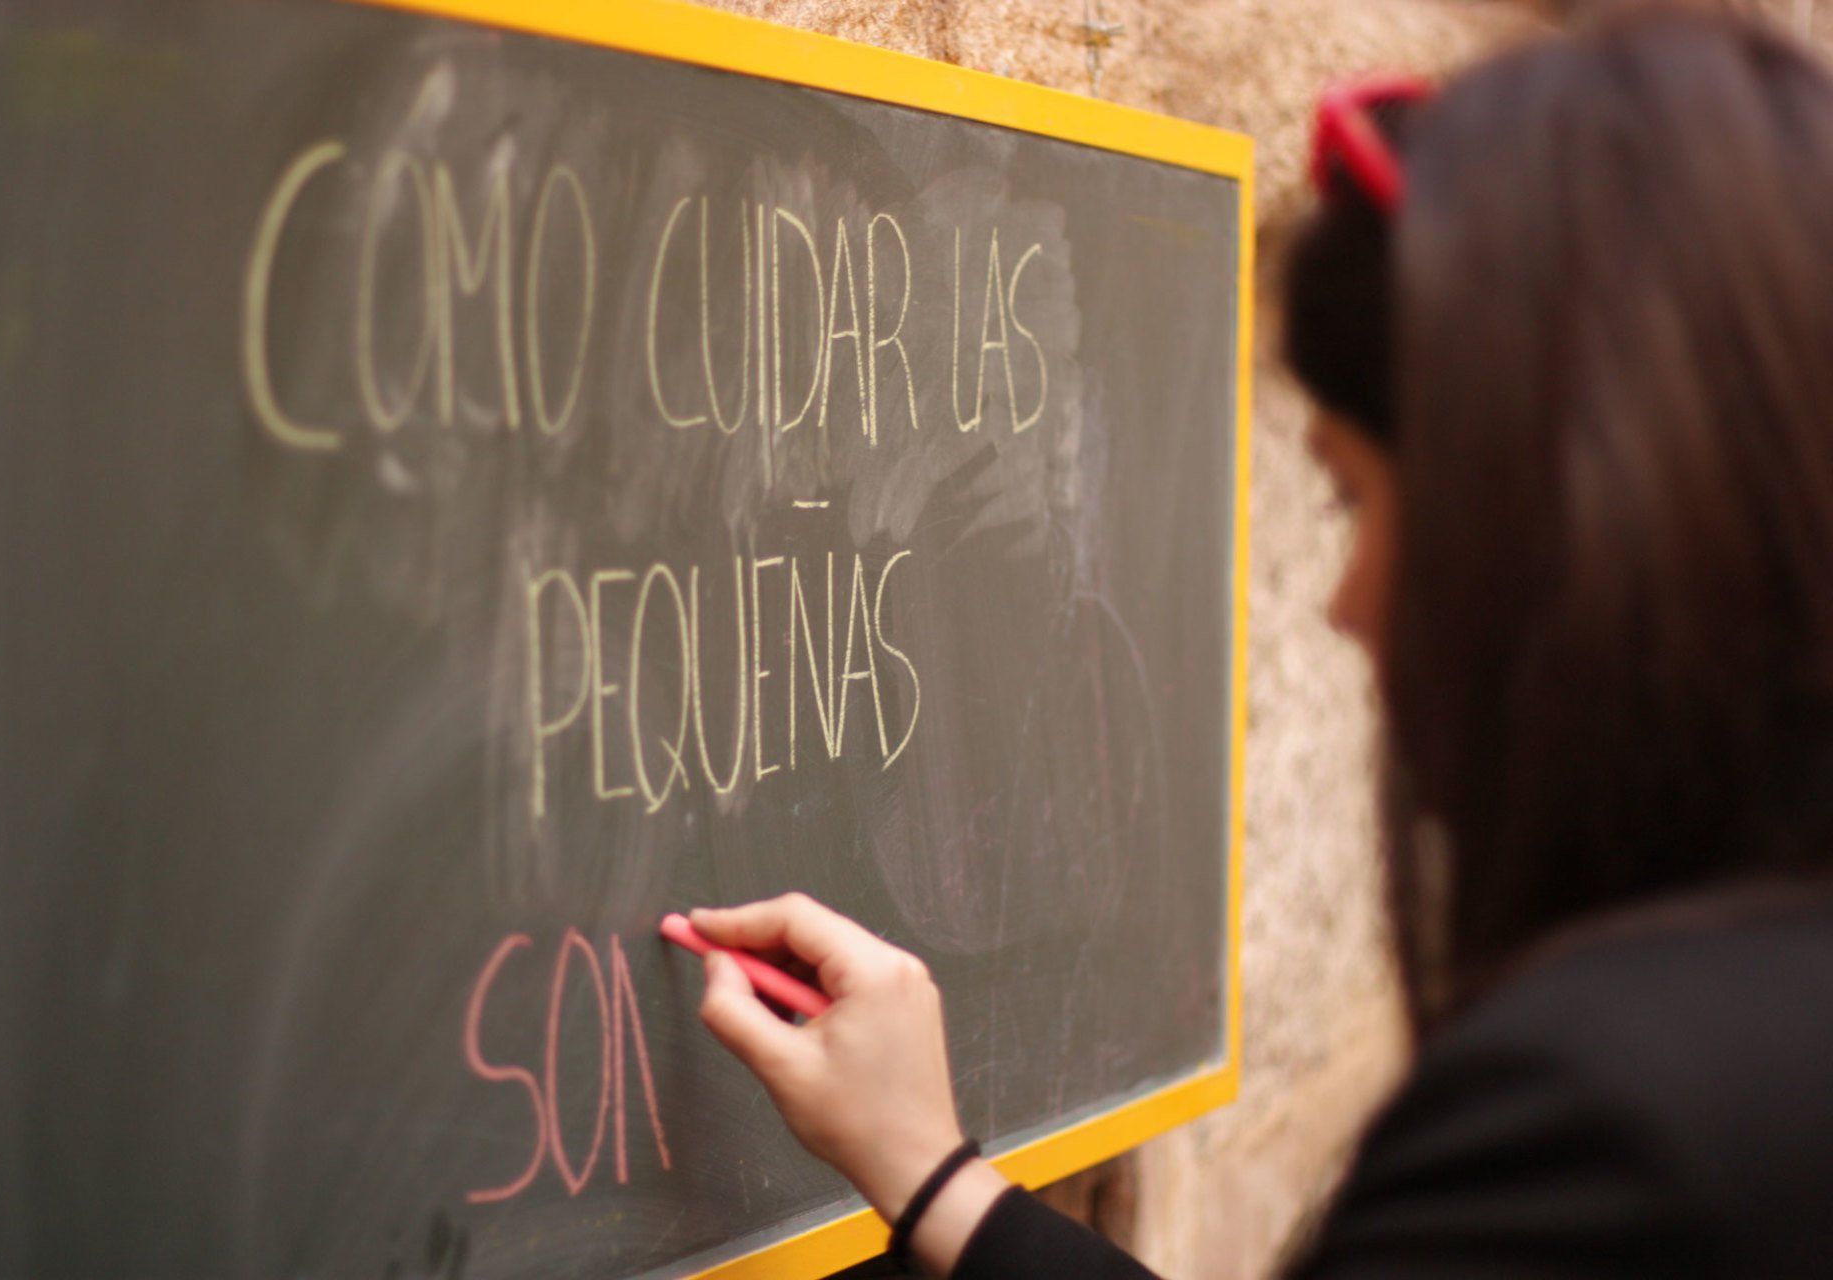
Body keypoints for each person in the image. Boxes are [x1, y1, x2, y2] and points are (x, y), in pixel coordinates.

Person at [682, 7, 1833, 1277]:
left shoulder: (1594, 1129)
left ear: (1550, 535)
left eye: (1355, 499)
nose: (1343, 599)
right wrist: (936, 1176)